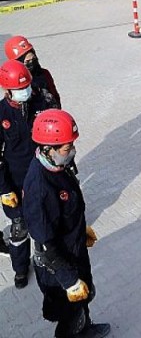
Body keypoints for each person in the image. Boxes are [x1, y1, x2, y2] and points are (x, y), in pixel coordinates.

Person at [23, 109, 110, 338]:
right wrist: (69, 281)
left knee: (82, 304)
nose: (71, 151)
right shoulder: (40, 187)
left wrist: (79, 231)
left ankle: (86, 328)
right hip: (60, 266)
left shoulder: (56, 165)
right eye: (66, 148)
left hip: (73, 248)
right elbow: (46, 245)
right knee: (69, 314)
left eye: (71, 145)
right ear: (47, 148)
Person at [0, 60, 58, 288]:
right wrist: (4, 190)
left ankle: (44, 258)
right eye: (20, 88)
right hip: (14, 180)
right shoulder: (1, 113)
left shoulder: (42, 101)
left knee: (44, 220)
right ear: (8, 90)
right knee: (19, 226)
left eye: (27, 86)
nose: (26, 91)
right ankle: (20, 268)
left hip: (42, 176)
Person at [4, 35, 61, 108]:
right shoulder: (13, 82)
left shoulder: (44, 74)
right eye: (27, 61)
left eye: (33, 59)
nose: (31, 63)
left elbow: (55, 97)